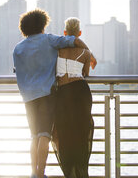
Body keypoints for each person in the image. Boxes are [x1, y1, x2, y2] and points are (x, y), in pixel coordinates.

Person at [13, 9, 96, 178]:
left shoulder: (18, 48)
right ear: (42, 25)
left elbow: (17, 70)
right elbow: (73, 41)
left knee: (34, 135)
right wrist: (90, 54)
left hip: (27, 97)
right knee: (45, 134)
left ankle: (33, 173)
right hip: (46, 94)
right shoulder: (48, 39)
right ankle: (40, 173)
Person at [52, 17, 94, 178]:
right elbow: (85, 74)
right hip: (81, 92)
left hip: (63, 93)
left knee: (63, 130)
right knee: (81, 131)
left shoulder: (57, 51)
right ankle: (81, 170)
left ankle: (69, 171)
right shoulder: (86, 52)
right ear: (80, 33)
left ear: (64, 33)